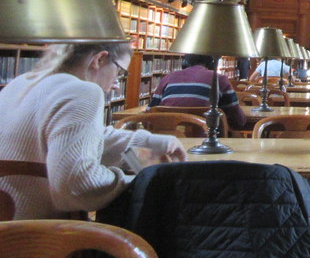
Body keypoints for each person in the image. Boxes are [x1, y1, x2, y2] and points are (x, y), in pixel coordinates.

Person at [0, 41, 186, 219]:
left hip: (8, 223)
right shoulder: (83, 91)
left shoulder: (22, 82)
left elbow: (78, 138)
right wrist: (136, 181)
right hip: (37, 237)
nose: (115, 84)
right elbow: (78, 185)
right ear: (100, 59)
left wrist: (155, 143)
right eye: (120, 72)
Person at [150, 54, 245, 130]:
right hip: (206, 141)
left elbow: (151, 110)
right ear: (212, 61)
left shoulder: (168, 77)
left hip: (168, 140)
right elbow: (238, 120)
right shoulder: (219, 79)